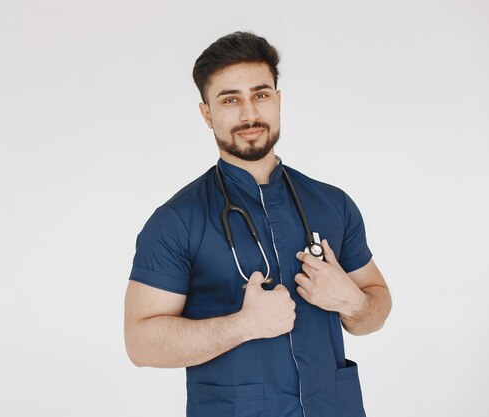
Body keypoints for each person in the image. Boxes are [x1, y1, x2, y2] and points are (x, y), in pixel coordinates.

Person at [124, 31, 392, 417]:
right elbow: (140, 343)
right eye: (230, 99)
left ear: (278, 101)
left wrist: (352, 301)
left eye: (261, 94)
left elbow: (375, 311)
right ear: (207, 113)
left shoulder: (332, 204)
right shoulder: (177, 221)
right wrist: (244, 325)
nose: (249, 113)